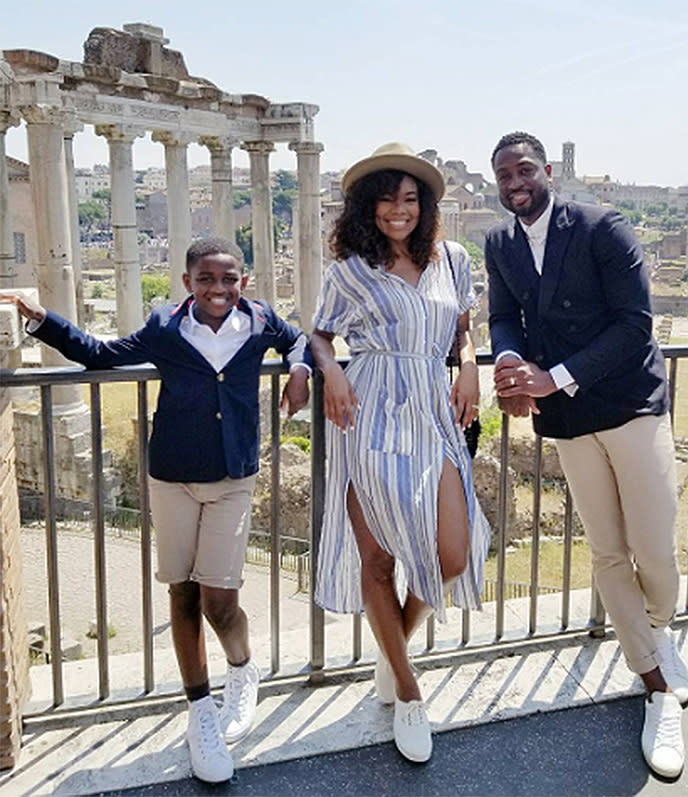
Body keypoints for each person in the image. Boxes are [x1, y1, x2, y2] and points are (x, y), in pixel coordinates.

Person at [1, 238, 311, 784]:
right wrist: (41, 318)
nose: (220, 289)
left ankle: (241, 669)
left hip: (233, 478)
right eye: (208, 279)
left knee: (221, 600)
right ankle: (199, 712)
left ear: (244, 280)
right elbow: (100, 354)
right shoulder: (165, 326)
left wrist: (301, 369)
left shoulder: (260, 319)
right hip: (171, 477)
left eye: (230, 279)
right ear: (189, 282)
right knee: (182, 594)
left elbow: (299, 339)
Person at [485, 132, 688, 778]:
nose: (515, 182)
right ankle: (656, 683)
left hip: (629, 404)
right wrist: (512, 361)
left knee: (654, 547)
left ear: (546, 170)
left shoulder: (603, 226)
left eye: (524, 170)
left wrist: (556, 375)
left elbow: (635, 325)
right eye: (503, 175)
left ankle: (657, 627)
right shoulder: (498, 243)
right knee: (606, 550)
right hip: (569, 421)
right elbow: (501, 318)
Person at [310, 142, 491, 763]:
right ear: (368, 205)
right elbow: (320, 333)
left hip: (433, 410)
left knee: (450, 553)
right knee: (379, 560)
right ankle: (408, 693)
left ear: (426, 205)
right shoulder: (349, 270)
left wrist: (468, 368)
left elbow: (463, 328)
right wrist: (332, 372)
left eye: (411, 198)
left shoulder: (452, 259)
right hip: (370, 408)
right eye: (387, 198)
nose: (399, 210)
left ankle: (393, 650)